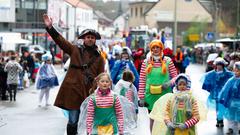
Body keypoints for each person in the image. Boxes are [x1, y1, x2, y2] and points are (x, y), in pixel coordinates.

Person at [42, 14, 105, 135]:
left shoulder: (100, 58)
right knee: (73, 120)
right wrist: (50, 28)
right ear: (84, 39)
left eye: (92, 37)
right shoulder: (75, 49)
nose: (90, 39)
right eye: (88, 37)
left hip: (89, 92)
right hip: (73, 90)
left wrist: (102, 93)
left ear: (95, 40)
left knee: (87, 121)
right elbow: (61, 41)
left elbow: (101, 77)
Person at [138, 40, 178, 131]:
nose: (155, 49)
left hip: (165, 95)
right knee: (152, 118)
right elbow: (142, 80)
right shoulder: (146, 62)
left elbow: (176, 77)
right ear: (151, 49)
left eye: (157, 47)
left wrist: (169, 83)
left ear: (161, 48)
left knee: (165, 119)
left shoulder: (168, 61)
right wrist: (141, 97)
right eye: (153, 48)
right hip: (150, 96)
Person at [202, 57, 233, 127]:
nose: (219, 66)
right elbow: (207, 77)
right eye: (218, 65)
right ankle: (219, 120)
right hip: (216, 94)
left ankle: (221, 119)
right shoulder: (212, 73)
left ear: (223, 65)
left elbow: (233, 79)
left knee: (223, 107)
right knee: (218, 107)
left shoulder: (228, 74)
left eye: (220, 65)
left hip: (224, 94)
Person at [219, 61, 240, 134]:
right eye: (235, 70)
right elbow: (225, 89)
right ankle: (230, 128)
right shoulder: (231, 80)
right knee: (230, 115)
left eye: (238, 71)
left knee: (239, 115)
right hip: (232, 102)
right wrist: (221, 96)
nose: (236, 72)